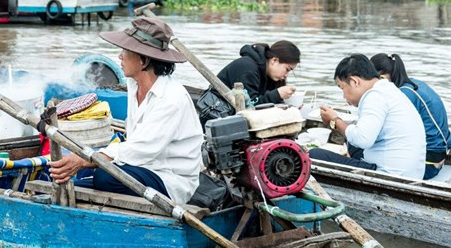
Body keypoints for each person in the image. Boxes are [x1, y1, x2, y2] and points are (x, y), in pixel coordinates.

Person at [49, 17, 203, 205]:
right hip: (142, 165)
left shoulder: (171, 99)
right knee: (88, 171)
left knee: (105, 177)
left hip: (169, 179)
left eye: (125, 51)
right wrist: (88, 160)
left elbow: (142, 150)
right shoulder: (133, 84)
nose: (120, 56)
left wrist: (83, 159)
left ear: (143, 60)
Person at [309, 54, 426, 179]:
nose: (344, 96)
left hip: (390, 175)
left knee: (313, 155)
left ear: (355, 82)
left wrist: (335, 120)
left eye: (342, 88)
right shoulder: (387, 89)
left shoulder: (375, 96)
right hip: (411, 172)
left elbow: (362, 138)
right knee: (352, 142)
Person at [370, 53, 451, 179]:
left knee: (361, 150)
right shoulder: (413, 84)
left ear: (382, 78)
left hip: (427, 165)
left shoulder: (402, 95)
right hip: (441, 153)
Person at [216, 40, 300, 105]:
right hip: (217, 113)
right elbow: (249, 105)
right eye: (287, 69)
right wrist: (277, 94)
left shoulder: (269, 74)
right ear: (274, 60)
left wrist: (289, 106)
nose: (286, 75)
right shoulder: (248, 69)